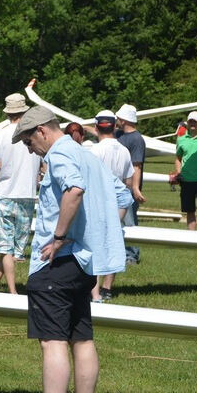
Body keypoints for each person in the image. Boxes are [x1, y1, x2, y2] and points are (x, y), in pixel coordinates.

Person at [10, 106, 132, 393]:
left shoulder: (61, 153)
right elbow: (122, 195)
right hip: (85, 263)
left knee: (52, 342)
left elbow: (74, 190)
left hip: (58, 262)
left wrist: (60, 236)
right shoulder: (87, 154)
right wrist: (96, 232)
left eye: (27, 141)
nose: (29, 149)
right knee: (82, 339)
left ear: (42, 132)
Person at [0, 93, 39, 294]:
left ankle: (13, 291)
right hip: (28, 195)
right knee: (13, 249)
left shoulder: (1, 134)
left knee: (5, 248)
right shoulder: (34, 133)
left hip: (5, 193)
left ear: (8, 113)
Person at [89, 110, 133, 301]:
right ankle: (107, 288)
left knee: (94, 243)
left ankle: (95, 291)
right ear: (114, 126)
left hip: (99, 200)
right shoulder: (124, 150)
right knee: (114, 241)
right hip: (119, 201)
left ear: (96, 127)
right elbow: (128, 182)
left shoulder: (94, 151)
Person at [114, 104, 146, 265]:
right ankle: (119, 252)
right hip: (117, 188)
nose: (116, 120)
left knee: (129, 222)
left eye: (119, 118)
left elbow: (136, 166)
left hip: (128, 189)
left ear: (124, 120)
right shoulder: (118, 134)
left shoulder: (136, 139)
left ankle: (132, 255)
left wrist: (135, 188)